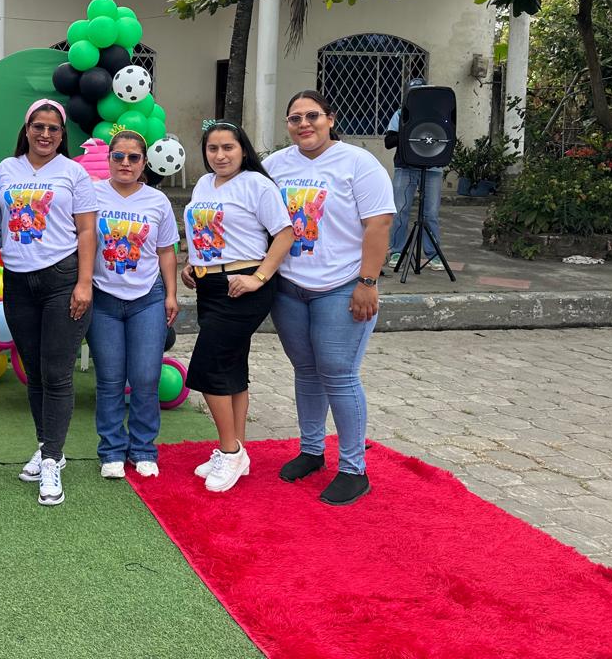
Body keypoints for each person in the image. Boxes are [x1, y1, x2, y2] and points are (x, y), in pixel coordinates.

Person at [264, 90, 395, 506]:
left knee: (338, 374)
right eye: (295, 118)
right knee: (306, 370)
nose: (304, 124)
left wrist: (367, 282)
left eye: (312, 116)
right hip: (289, 288)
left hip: (341, 287)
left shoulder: (359, 163)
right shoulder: (274, 166)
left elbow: (378, 225)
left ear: (330, 118)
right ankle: (312, 450)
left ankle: (354, 469)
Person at [179, 122, 295, 493]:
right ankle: (237, 452)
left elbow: (285, 233)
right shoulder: (204, 184)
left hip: (243, 286)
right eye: (212, 149)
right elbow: (208, 231)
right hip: (209, 286)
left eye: (228, 147)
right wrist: (193, 261)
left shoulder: (257, 184)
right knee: (230, 366)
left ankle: (229, 450)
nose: (220, 155)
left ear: (243, 149)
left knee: (208, 368)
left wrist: (259, 277)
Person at [0, 99, 97, 507]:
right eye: (38, 126)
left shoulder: (73, 173)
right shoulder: (6, 169)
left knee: (57, 373)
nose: (46, 134)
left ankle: (52, 458)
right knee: (34, 372)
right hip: (19, 283)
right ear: (27, 128)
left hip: (62, 280)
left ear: (62, 133)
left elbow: (86, 231)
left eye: (54, 128)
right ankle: (46, 444)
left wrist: (84, 284)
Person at [86, 130, 179, 480]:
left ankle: (142, 448)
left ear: (144, 162)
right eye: (118, 156)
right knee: (110, 379)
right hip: (103, 299)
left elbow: (166, 251)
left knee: (145, 377)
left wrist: (171, 294)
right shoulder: (92, 194)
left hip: (147, 299)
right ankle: (111, 449)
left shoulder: (157, 201)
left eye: (133, 157)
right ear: (109, 158)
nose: (125, 163)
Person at [385, 77, 443, 270]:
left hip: (432, 168)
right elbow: (388, 141)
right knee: (400, 210)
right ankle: (397, 251)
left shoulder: (437, 114)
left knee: (431, 214)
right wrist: (409, 128)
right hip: (406, 167)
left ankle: (433, 254)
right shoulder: (401, 114)